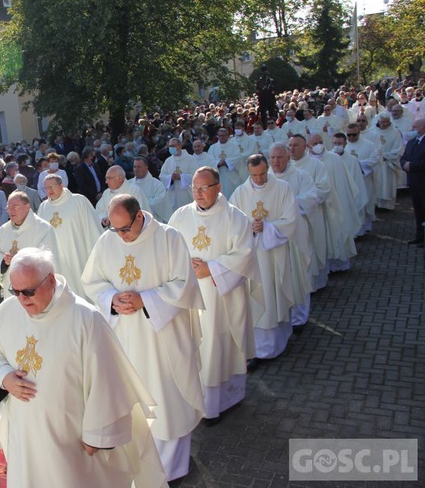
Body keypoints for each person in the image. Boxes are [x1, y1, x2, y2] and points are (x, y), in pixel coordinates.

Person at [0, 248, 166, 488]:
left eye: (29, 291)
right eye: (15, 291)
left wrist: (98, 436)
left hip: (71, 440)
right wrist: (3, 377)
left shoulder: (86, 320)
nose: (22, 299)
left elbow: (107, 382)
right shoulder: (6, 312)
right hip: (24, 434)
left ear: (51, 280)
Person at [82, 195, 205, 483]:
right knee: (131, 402)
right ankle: (138, 465)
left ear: (139, 217)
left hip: (162, 337)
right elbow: (91, 281)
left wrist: (146, 301)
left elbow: (183, 285)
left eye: (125, 229)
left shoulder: (168, 238)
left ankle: (172, 468)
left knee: (167, 399)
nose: (121, 236)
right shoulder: (107, 241)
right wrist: (112, 299)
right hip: (124, 336)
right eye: (115, 230)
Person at [168, 167, 259, 424]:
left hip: (222, 298)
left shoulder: (235, 218)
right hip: (190, 297)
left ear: (218, 188)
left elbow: (245, 255)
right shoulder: (180, 216)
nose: (197, 193)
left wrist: (212, 268)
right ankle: (192, 399)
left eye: (203, 188)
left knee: (217, 346)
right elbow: (169, 250)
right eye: (194, 188)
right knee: (194, 347)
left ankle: (221, 402)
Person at [230, 155, 308, 364]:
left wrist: (268, 227)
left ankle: (275, 344)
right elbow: (232, 222)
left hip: (275, 254)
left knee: (274, 296)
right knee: (255, 301)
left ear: (267, 169)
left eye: (263, 173)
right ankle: (255, 348)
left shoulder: (282, 188)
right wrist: (250, 227)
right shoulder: (239, 193)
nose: (259, 179)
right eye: (254, 175)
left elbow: (291, 220)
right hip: (251, 255)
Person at [267, 143, 318, 330]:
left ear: (288, 157)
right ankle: (281, 313)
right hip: (272, 236)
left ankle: (299, 317)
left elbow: (312, 198)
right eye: (272, 158)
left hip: (294, 234)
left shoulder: (300, 177)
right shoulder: (265, 180)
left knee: (297, 273)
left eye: (279, 157)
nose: (275, 161)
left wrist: (289, 205)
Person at [38, 174, 102, 301]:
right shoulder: (43, 207)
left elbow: (92, 227)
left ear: (61, 185)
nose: (49, 191)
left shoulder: (79, 201)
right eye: (46, 188)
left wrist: (96, 254)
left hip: (77, 254)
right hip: (55, 258)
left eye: (52, 186)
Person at [0, 191, 59, 298]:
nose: (11, 211)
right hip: (11, 288)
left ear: (27, 207)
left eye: (15, 207)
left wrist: (20, 260)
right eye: (9, 208)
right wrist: (4, 262)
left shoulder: (43, 228)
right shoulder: (4, 230)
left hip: (33, 288)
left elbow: (48, 258)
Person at [306, 134, 360, 272]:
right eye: (315, 143)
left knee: (337, 231)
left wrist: (342, 200)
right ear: (308, 146)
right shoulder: (305, 162)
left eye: (320, 142)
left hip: (335, 202)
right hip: (316, 205)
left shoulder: (334, 159)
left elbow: (344, 183)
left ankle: (339, 264)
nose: (318, 145)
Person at [287, 135, 331, 293]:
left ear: (305, 146)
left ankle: (313, 284)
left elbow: (323, 189)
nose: (292, 149)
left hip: (310, 216)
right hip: (288, 220)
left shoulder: (316, 165)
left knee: (311, 247)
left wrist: (298, 202)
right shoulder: (284, 166)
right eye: (290, 145)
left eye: (296, 145)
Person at [345, 122, 380, 235]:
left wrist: (358, 165)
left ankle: (362, 229)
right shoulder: (343, 146)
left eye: (354, 135)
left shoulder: (369, 145)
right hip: (348, 181)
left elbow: (375, 159)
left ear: (359, 133)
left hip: (364, 180)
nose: (351, 137)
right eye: (348, 135)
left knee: (364, 203)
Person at [400, 118, 425, 246]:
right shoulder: (411, 142)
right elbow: (403, 157)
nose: (412, 129)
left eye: (415, 127)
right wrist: (404, 164)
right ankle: (419, 236)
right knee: (418, 210)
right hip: (413, 182)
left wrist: (412, 166)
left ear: (423, 128)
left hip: (423, 181)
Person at [159, 138, 198, 218]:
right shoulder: (168, 161)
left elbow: (195, 175)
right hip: (172, 195)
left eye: (173, 146)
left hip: (186, 195)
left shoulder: (190, 159)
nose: (171, 148)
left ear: (180, 145)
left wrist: (181, 177)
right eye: (170, 146)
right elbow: (162, 176)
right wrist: (170, 178)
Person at [130, 155, 170, 222]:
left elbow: (161, 200)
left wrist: (142, 203)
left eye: (139, 167)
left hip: (153, 220)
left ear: (146, 168)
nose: (136, 169)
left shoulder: (156, 184)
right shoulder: (129, 184)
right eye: (134, 167)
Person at [207, 128, 243, 197]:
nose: (221, 137)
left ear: (228, 136)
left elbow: (238, 158)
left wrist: (226, 162)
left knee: (231, 195)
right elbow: (209, 161)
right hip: (218, 175)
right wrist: (218, 163)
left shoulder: (234, 146)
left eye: (223, 135)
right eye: (220, 136)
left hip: (230, 176)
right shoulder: (213, 147)